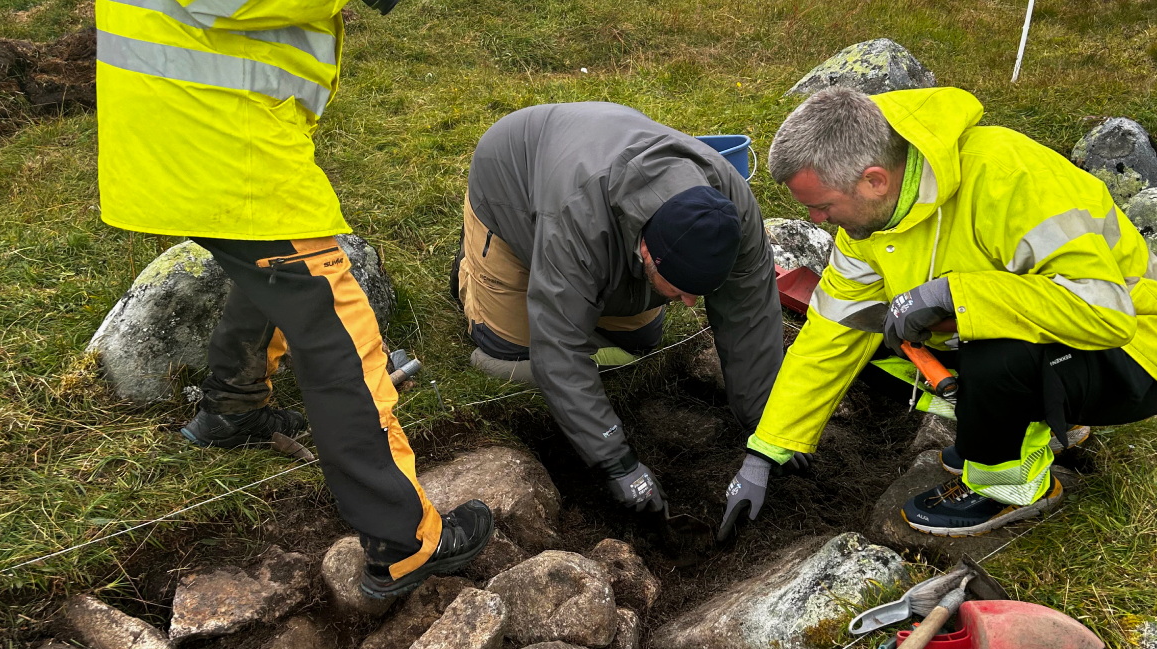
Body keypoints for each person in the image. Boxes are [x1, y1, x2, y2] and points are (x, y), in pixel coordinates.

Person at [94, 0, 491, 598]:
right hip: (219, 140)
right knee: (334, 319)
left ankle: (233, 410)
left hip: (189, 128)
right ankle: (405, 539)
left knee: (274, 274)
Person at [732, 86, 1157, 537]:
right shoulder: (869, 221)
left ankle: (1010, 486)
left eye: (822, 205)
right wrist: (767, 450)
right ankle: (1029, 424)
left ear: (874, 180)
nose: (818, 220)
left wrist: (954, 295)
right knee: (870, 337)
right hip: (1064, 347)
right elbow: (832, 331)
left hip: (1136, 355)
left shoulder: (1008, 177)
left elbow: (1104, 312)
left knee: (996, 354)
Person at [453, 102, 789, 534]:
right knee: (512, 350)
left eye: (697, 292)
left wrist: (770, 436)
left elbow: (750, 317)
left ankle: (588, 290)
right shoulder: (575, 219)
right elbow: (558, 348)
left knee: (642, 336)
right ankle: (470, 270)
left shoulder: (731, 209)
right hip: (514, 190)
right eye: (681, 290)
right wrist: (618, 462)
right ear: (647, 251)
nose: (690, 304)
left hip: (604, 225)